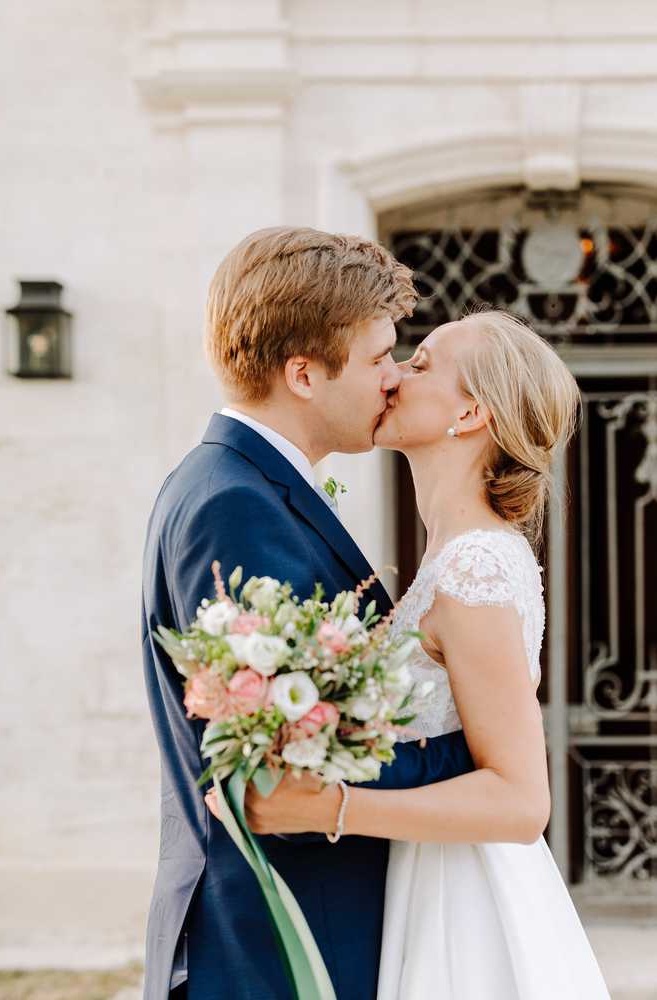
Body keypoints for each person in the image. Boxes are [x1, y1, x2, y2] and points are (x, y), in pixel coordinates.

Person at [218, 310, 611, 998]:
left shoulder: (476, 570)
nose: (393, 375)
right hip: (417, 878)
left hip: (463, 906)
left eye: (421, 363)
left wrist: (323, 807)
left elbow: (521, 802)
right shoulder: (447, 558)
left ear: (469, 414)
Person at [141, 226, 475, 1000]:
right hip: (274, 944)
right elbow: (284, 769)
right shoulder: (235, 504)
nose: (392, 379)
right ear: (303, 374)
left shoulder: (234, 484)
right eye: (376, 358)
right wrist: (479, 761)